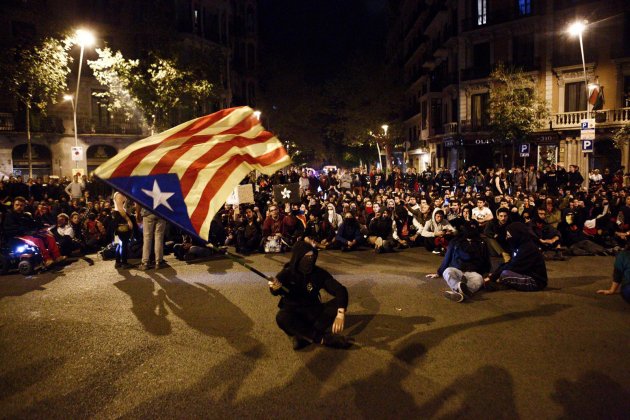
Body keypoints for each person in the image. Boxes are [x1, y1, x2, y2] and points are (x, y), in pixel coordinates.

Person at [268, 240, 352, 350]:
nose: (310, 260)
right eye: (306, 257)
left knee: (338, 304)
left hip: (314, 311)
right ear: (298, 258)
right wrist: (274, 287)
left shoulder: (317, 273)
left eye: (312, 257)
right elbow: (275, 289)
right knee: (282, 318)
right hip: (294, 313)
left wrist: (341, 314)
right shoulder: (287, 273)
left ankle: (304, 336)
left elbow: (339, 290)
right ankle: (323, 338)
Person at [426, 221, 491, 302]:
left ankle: (458, 293)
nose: (471, 231)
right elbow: (447, 257)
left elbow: (486, 259)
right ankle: (461, 290)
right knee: (447, 272)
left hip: (473, 271)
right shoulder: (455, 241)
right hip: (457, 269)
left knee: (479, 279)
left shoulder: (482, 243)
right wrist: (439, 272)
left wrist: (486, 273)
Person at [2, 196, 65, 267]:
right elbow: (10, 229)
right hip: (17, 236)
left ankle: (57, 256)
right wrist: (27, 231)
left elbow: (33, 223)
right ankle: (46, 259)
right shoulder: (9, 216)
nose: (19, 207)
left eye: (21, 205)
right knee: (37, 240)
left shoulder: (25, 215)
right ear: (13, 205)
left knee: (49, 237)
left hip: (29, 233)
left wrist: (42, 226)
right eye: (17, 205)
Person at [484, 222, 548, 291]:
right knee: (497, 271)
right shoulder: (519, 245)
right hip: (525, 273)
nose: (507, 238)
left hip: (535, 282)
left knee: (504, 274)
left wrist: (492, 277)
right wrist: (494, 274)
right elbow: (510, 263)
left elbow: (513, 266)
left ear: (516, 234)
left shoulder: (528, 248)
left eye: (509, 235)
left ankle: (500, 284)